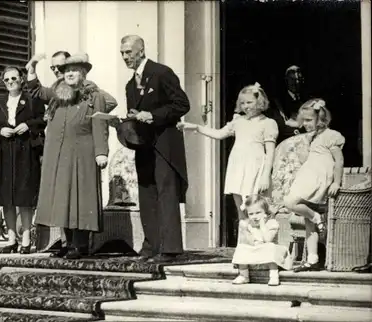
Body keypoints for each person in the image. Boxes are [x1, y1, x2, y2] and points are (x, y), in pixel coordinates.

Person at [26, 51, 118, 258]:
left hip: (82, 152)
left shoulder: (94, 96)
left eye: (74, 70)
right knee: (62, 198)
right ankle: (67, 244)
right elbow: (37, 91)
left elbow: (101, 123)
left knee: (80, 198)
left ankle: (81, 245)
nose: (68, 73)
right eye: (66, 70)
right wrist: (31, 67)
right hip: (57, 153)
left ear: (84, 72)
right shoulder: (59, 92)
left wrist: (101, 152)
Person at [116, 35, 190, 263]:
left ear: (141, 50)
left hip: (164, 143)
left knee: (166, 193)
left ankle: (170, 249)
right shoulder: (130, 85)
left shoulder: (161, 73)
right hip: (144, 145)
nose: (125, 57)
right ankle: (151, 247)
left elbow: (182, 104)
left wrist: (153, 116)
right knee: (146, 193)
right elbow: (136, 115)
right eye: (122, 53)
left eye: (129, 52)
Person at [178, 83, 278, 223]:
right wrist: (195, 126)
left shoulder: (268, 123)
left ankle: (259, 241)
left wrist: (265, 176)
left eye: (249, 102)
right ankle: (243, 242)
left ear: (259, 101)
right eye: (242, 103)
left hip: (254, 166)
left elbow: (271, 152)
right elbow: (219, 134)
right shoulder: (238, 121)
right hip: (238, 165)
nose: (246, 106)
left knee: (256, 207)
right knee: (241, 209)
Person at [0, 66, 46, 254]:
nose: (11, 82)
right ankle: (11, 240)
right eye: (7, 80)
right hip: (5, 152)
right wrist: (0, 131)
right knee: (7, 198)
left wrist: (27, 125)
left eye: (14, 79)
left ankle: (26, 240)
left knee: (24, 196)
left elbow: (42, 120)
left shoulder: (32, 99)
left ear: (21, 79)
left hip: (25, 151)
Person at [284, 99, 345, 272]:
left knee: (291, 202)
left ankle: (316, 217)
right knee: (308, 221)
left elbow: (338, 161)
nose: (306, 125)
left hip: (318, 177)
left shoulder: (331, 136)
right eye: (304, 121)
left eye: (309, 120)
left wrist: (336, 181)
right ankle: (313, 259)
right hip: (308, 175)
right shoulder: (314, 137)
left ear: (321, 118)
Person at [231, 195, 292, 286]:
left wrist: (262, 225)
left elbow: (267, 239)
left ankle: (273, 275)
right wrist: (245, 230)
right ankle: (244, 275)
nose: (254, 217)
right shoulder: (249, 225)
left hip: (271, 250)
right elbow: (249, 243)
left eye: (258, 213)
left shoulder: (272, 223)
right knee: (241, 247)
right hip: (257, 250)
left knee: (269, 247)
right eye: (251, 214)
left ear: (266, 212)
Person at [265, 65, 308, 145]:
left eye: (298, 80)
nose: (296, 83)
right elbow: (281, 126)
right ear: (286, 81)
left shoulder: (308, 99)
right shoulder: (277, 102)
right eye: (292, 80)